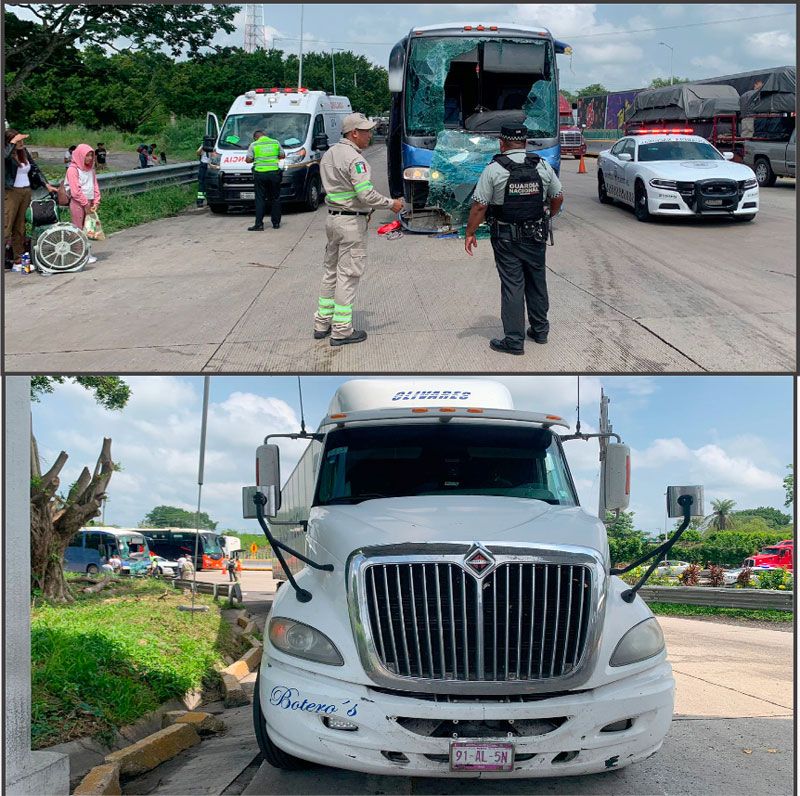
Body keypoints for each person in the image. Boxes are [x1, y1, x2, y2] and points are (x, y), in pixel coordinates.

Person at [465, 124, 563, 355]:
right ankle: (540, 331)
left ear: (501, 142)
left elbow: (480, 205)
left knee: (513, 286)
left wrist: (470, 232)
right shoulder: (542, 165)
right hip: (535, 235)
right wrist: (547, 214)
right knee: (537, 282)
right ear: (525, 142)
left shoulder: (494, 169)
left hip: (506, 238)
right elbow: (557, 196)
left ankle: (514, 340)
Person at [313, 112, 404, 346]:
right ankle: (342, 330)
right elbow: (365, 194)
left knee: (330, 272)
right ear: (354, 133)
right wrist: (391, 204)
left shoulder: (330, 154)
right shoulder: (355, 159)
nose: (370, 135)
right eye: (367, 131)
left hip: (333, 220)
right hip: (351, 224)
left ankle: (322, 323)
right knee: (348, 275)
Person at [4, 129, 55, 267]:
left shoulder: (24, 152)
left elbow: (34, 169)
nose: (21, 143)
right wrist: (11, 144)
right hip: (11, 192)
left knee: (20, 227)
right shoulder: (6, 153)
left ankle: (18, 259)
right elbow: (4, 158)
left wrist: (46, 184)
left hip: (26, 191)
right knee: (6, 226)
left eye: (22, 140)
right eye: (18, 141)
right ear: (10, 142)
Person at [66, 144, 101, 264]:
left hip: (89, 201)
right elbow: (75, 191)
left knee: (89, 228)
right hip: (78, 203)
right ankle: (79, 254)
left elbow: (95, 185)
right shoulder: (72, 169)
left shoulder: (91, 169)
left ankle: (87, 253)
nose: (90, 158)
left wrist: (96, 201)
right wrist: (85, 204)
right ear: (80, 155)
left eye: (91, 155)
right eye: (87, 155)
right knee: (78, 228)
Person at [245, 129, 284, 231]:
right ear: (264, 135)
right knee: (275, 198)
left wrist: (256, 158)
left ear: (255, 137)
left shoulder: (254, 145)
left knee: (260, 199)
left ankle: (259, 224)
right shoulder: (275, 142)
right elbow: (282, 155)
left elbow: (248, 160)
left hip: (260, 174)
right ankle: (276, 224)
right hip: (274, 174)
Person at [196, 142, 210, 207]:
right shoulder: (203, 144)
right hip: (203, 165)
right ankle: (200, 201)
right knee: (202, 184)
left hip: (211, 165)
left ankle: (209, 199)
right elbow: (198, 153)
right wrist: (203, 147)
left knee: (210, 183)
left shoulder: (216, 144)